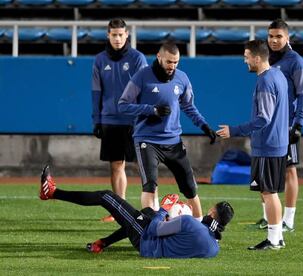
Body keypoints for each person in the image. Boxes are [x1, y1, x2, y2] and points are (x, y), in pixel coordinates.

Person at [39, 165, 234, 258]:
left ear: (212, 214)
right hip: (154, 243)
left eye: (210, 210)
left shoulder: (191, 223)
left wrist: (165, 208)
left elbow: (155, 230)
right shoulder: (213, 249)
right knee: (147, 211)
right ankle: (103, 242)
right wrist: (164, 217)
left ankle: (52, 193)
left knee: (106, 196)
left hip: (145, 239)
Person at [117, 42, 217, 220]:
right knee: (149, 185)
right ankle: (149, 227)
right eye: (169, 62)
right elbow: (123, 105)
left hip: (173, 141)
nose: (172, 66)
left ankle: (200, 228)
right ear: (159, 57)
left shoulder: (182, 78)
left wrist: (204, 126)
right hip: (147, 140)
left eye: (176, 62)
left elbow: (189, 107)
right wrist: (151, 110)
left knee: (190, 187)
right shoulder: (142, 76)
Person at [216, 40, 288, 250]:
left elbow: (263, 118)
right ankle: (277, 237)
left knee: (268, 192)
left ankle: (274, 240)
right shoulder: (278, 75)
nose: (244, 60)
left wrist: (234, 130)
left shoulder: (265, 81)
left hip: (268, 145)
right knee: (268, 191)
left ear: (257, 58)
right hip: (275, 144)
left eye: (247, 56)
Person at [255, 19, 303, 231]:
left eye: (279, 36)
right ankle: (268, 217)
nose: (274, 40)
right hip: (267, 125)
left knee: (289, 170)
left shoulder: (296, 62)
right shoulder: (266, 59)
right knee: (263, 169)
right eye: (271, 36)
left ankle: (288, 220)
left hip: (286, 125)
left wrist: (299, 123)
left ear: (288, 38)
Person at [91, 18, 148, 222]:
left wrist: (143, 116)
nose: (117, 38)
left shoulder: (137, 58)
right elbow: (96, 92)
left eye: (120, 34)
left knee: (145, 165)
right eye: (113, 35)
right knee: (116, 165)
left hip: (133, 120)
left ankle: (149, 210)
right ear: (108, 35)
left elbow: (145, 90)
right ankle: (119, 210)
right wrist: (97, 119)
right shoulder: (99, 60)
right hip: (110, 120)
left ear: (127, 35)